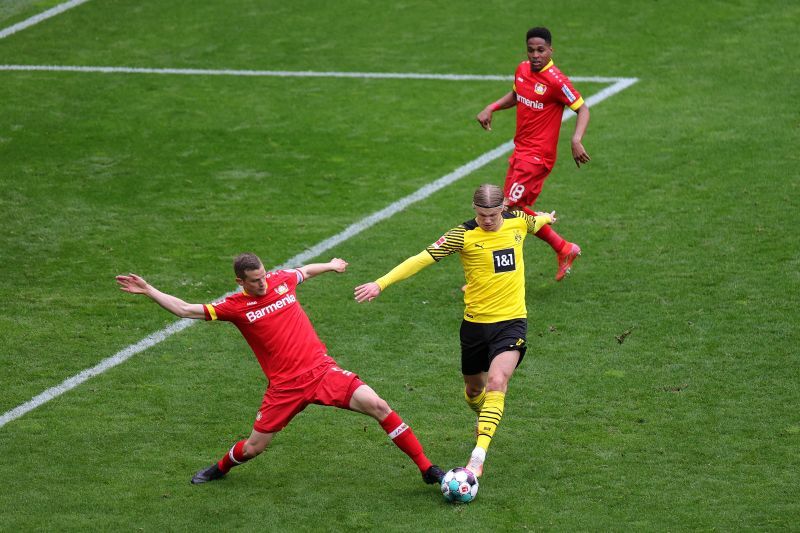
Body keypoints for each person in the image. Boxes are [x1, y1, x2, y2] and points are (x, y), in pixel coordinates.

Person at [116, 254, 444, 486]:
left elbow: (304, 272)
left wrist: (331, 266)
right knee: (254, 448)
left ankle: (427, 469)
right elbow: (186, 309)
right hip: (285, 388)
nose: (261, 284)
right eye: (254, 281)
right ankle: (219, 468)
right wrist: (149, 290)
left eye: (262, 277)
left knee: (379, 406)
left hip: (322, 371)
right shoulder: (235, 307)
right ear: (240, 281)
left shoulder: (280, 280)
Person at [354, 184, 556, 478]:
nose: (487, 221)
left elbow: (534, 221)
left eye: (492, 215)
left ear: (503, 209)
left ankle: (478, 455)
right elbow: (421, 258)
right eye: (481, 215)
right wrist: (380, 283)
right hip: (474, 325)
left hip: (512, 322)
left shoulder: (517, 222)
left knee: (498, 380)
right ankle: (485, 417)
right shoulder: (462, 235)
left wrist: (546, 218)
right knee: (475, 390)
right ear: (474, 210)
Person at [476, 26, 589, 281]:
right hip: (521, 153)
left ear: (551, 50)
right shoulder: (522, 69)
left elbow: (582, 109)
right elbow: (518, 95)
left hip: (537, 158)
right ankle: (564, 248)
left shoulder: (557, 81)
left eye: (541, 50)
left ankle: (496, 276)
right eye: (531, 50)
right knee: (515, 210)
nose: (535, 55)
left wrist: (576, 139)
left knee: (502, 210)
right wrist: (491, 107)